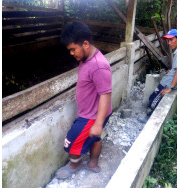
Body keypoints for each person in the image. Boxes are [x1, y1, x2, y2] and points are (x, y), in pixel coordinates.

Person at [55, 22, 113, 179]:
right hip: (92, 112)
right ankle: (93, 164)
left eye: (73, 49)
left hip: (92, 115)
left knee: (72, 141)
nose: (71, 53)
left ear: (85, 44)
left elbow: (105, 95)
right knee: (95, 138)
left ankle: (75, 164)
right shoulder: (86, 59)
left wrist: (98, 123)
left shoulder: (98, 66)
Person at [148, 29, 177, 110]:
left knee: (152, 101)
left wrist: (170, 88)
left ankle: (148, 117)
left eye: (171, 39)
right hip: (170, 81)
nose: (169, 43)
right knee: (153, 99)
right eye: (168, 40)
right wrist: (171, 70)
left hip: (167, 84)